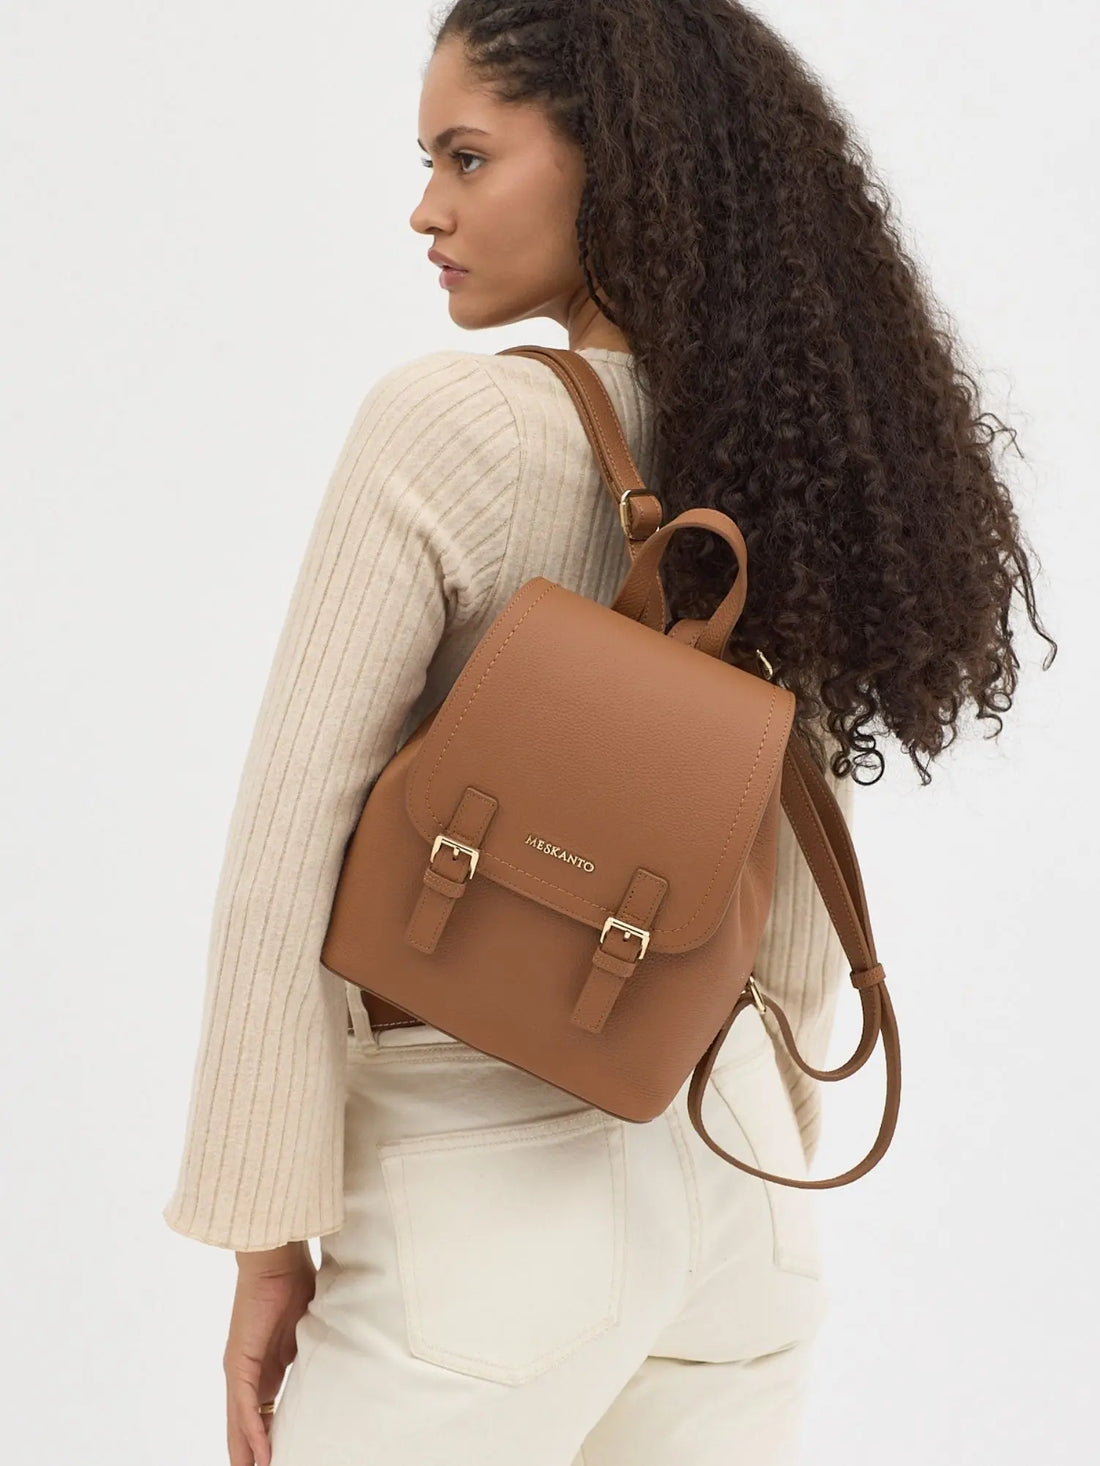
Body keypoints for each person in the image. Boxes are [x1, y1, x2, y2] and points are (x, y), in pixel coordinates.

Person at [162, 3, 1056, 1464]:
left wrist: (267, 1236)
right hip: (739, 1189)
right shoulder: (793, 440)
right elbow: (789, 869)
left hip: (478, 1200)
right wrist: (745, 1152)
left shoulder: (450, 427)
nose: (426, 208)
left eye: (466, 157)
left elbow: (286, 849)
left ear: (618, 161)